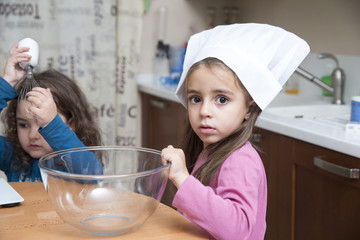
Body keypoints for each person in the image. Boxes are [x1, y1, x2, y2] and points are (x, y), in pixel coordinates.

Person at [161, 23, 310, 239]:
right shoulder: (210, 150)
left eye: (221, 99)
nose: (204, 111)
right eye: (196, 98)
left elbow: (236, 229)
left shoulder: (239, 160)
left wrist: (183, 178)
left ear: (249, 107)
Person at [0, 42, 102, 182]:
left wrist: (52, 124)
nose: (33, 135)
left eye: (42, 125)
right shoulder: (12, 156)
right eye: (24, 125)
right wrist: (6, 83)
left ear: (70, 124)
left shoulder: (75, 164)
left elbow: (93, 173)